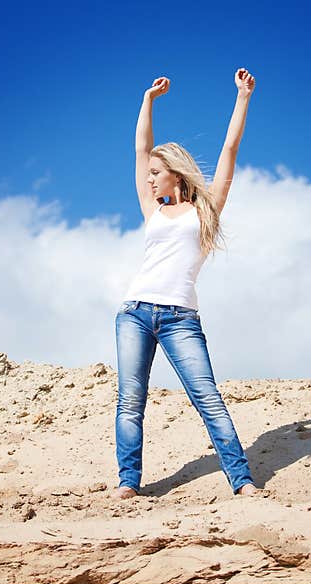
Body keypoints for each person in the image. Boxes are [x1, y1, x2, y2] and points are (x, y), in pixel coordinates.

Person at [112, 68, 260, 500]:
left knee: (207, 398)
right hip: (135, 312)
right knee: (130, 402)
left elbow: (230, 148)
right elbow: (140, 148)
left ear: (176, 174)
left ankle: (242, 481)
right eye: (151, 173)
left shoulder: (206, 209)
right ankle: (128, 482)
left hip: (180, 317)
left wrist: (243, 97)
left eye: (158, 172)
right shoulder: (151, 208)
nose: (151, 178)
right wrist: (147, 101)